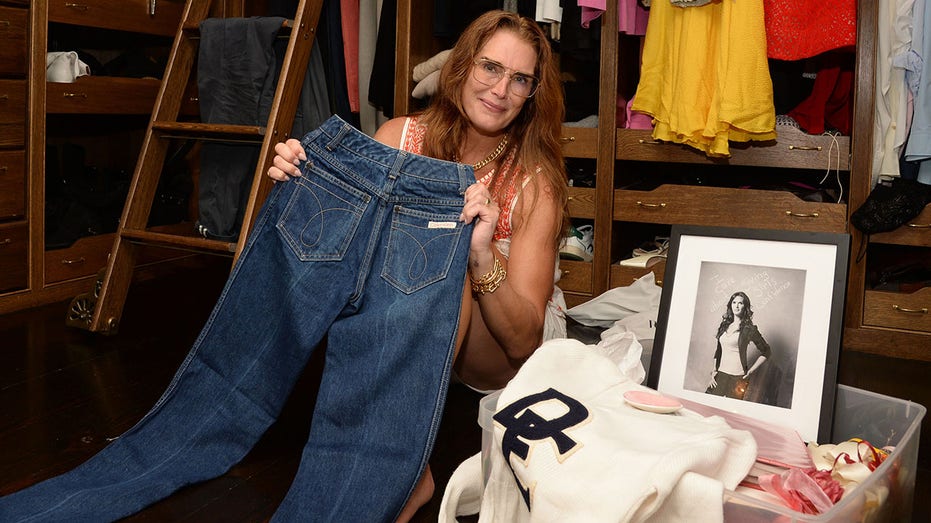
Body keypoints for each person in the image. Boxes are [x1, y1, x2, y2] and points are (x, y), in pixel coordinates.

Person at [268, 9, 571, 521]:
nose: (501, 89)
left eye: (520, 79)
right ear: (461, 67)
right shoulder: (398, 136)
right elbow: (339, 254)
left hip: (498, 347)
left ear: (532, 94)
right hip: (402, 327)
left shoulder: (535, 182)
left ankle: (407, 472)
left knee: (445, 258)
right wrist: (302, 185)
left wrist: (479, 252)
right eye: (490, 68)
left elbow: (524, 340)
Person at [705, 291, 771, 401]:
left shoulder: (749, 329)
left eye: (740, 303)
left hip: (738, 378)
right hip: (720, 375)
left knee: (729, 412)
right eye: (734, 302)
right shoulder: (724, 325)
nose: (736, 305)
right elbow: (718, 351)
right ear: (730, 305)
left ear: (745, 307)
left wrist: (751, 371)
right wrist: (714, 371)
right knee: (707, 405)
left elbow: (766, 351)